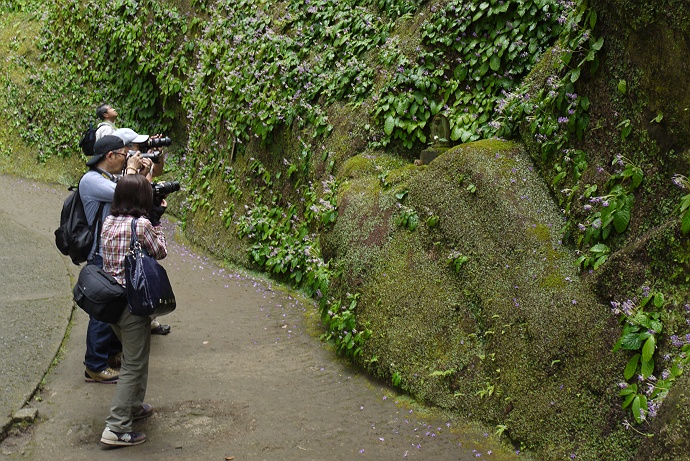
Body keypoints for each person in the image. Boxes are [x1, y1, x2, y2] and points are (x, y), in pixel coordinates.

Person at [99, 174, 167, 446]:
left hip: (112, 300)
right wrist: (157, 222)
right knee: (133, 364)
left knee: (136, 357)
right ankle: (116, 428)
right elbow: (160, 251)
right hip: (133, 303)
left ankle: (134, 407)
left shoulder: (108, 222)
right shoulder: (141, 226)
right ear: (142, 199)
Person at [79, 135, 152, 383]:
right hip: (100, 255)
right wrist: (132, 170)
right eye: (123, 154)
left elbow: (136, 192)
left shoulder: (107, 178)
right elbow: (127, 195)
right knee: (102, 311)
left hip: (109, 252)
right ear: (110, 155)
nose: (125, 158)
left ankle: (110, 355)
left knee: (116, 307)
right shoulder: (91, 181)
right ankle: (95, 365)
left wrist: (144, 171)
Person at [113, 127, 171, 334]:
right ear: (126, 149)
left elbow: (159, 170)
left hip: (143, 219)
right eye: (139, 146)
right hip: (134, 223)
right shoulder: (123, 171)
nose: (143, 149)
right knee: (132, 271)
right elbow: (123, 193)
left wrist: (157, 155)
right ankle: (134, 321)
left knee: (148, 268)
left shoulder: (142, 163)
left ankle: (149, 316)